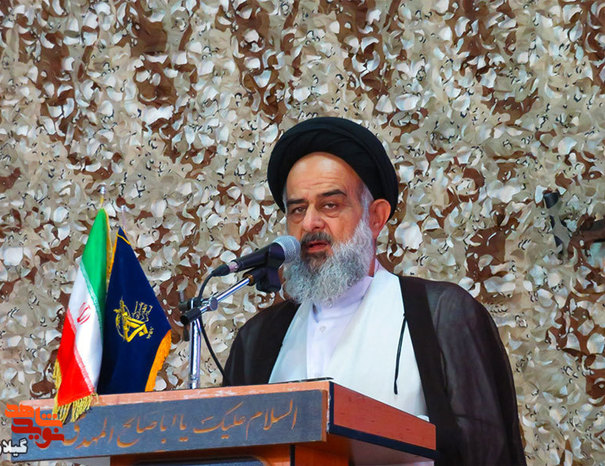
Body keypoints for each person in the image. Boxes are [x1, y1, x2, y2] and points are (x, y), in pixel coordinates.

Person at [223, 117, 526, 465]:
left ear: (376, 217)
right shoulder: (258, 339)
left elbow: (486, 450)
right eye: (297, 210)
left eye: (330, 205)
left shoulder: (440, 314)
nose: (309, 223)